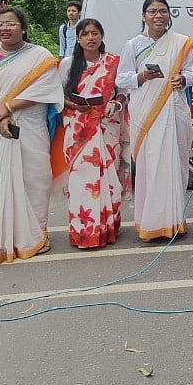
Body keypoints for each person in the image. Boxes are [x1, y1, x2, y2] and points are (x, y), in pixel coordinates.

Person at [0, 7, 63, 265]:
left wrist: (7, 108)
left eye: (11, 23)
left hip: (29, 123)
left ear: (23, 27)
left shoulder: (39, 56)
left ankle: (36, 235)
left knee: (35, 178)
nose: (5, 28)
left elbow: (46, 88)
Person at [115, 0, 193, 241]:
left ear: (169, 15)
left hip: (173, 109)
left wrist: (182, 80)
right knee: (150, 166)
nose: (158, 15)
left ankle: (174, 221)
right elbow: (121, 78)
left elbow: (191, 74)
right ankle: (149, 222)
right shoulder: (133, 45)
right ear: (143, 16)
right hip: (145, 111)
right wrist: (141, 77)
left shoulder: (181, 43)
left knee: (174, 163)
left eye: (162, 11)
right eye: (152, 11)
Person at [59, 18, 126, 249]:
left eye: (95, 33)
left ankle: (108, 230)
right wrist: (76, 106)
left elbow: (122, 92)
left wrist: (116, 104)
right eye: (85, 34)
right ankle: (84, 233)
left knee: (109, 181)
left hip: (107, 127)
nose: (90, 38)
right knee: (81, 183)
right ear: (77, 38)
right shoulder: (68, 64)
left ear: (101, 36)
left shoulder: (114, 62)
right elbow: (59, 97)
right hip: (79, 131)